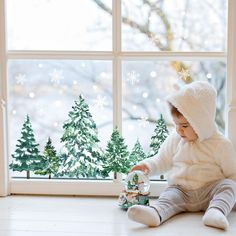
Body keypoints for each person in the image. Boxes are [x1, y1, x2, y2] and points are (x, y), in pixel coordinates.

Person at [127, 81, 236, 230]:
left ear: (201, 123)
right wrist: (147, 166)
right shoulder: (175, 139)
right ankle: (156, 213)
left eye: (184, 126)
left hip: (210, 191)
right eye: (176, 124)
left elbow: (233, 174)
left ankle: (216, 211)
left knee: (228, 186)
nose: (179, 130)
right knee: (167, 196)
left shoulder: (220, 144)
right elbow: (162, 160)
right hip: (180, 190)